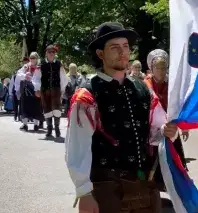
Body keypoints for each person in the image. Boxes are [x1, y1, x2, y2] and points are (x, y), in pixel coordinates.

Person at [65, 22, 178, 213]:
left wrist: (167, 131)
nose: (123, 52)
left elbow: (157, 131)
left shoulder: (143, 89)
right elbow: (77, 148)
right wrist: (84, 193)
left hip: (145, 185)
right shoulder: (87, 96)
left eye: (125, 46)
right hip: (107, 188)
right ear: (100, 54)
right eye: (114, 47)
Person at [144, 49, 189, 190]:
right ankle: (153, 192)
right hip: (152, 130)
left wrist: (184, 125)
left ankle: (173, 190)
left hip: (170, 128)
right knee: (153, 163)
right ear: (152, 69)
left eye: (164, 67)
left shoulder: (172, 84)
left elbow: (180, 104)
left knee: (173, 162)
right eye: (158, 67)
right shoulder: (145, 85)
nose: (162, 71)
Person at [32, 45, 68, 137]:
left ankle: (57, 129)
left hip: (56, 90)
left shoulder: (59, 64)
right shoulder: (41, 64)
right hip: (45, 90)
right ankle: (49, 129)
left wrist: (62, 90)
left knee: (57, 110)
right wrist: (37, 88)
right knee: (47, 109)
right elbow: (35, 78)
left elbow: (63, 78)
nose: (51, 54)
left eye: (53, 52)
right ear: (46, 53)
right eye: (49, 52)